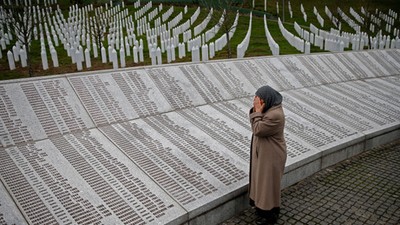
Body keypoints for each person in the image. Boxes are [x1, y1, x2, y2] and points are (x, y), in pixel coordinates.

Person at [249, 85, 287, 225]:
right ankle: (262, 209)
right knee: (262, 183)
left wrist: (257, 111)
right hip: (265, 154)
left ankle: (270, 215)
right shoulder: (269, 109)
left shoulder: (275, 115)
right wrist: (257, 111)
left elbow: (257, 129)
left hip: (272, 156)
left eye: (258, 99)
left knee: (268, 185)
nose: (255, 101)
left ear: (266, 100)